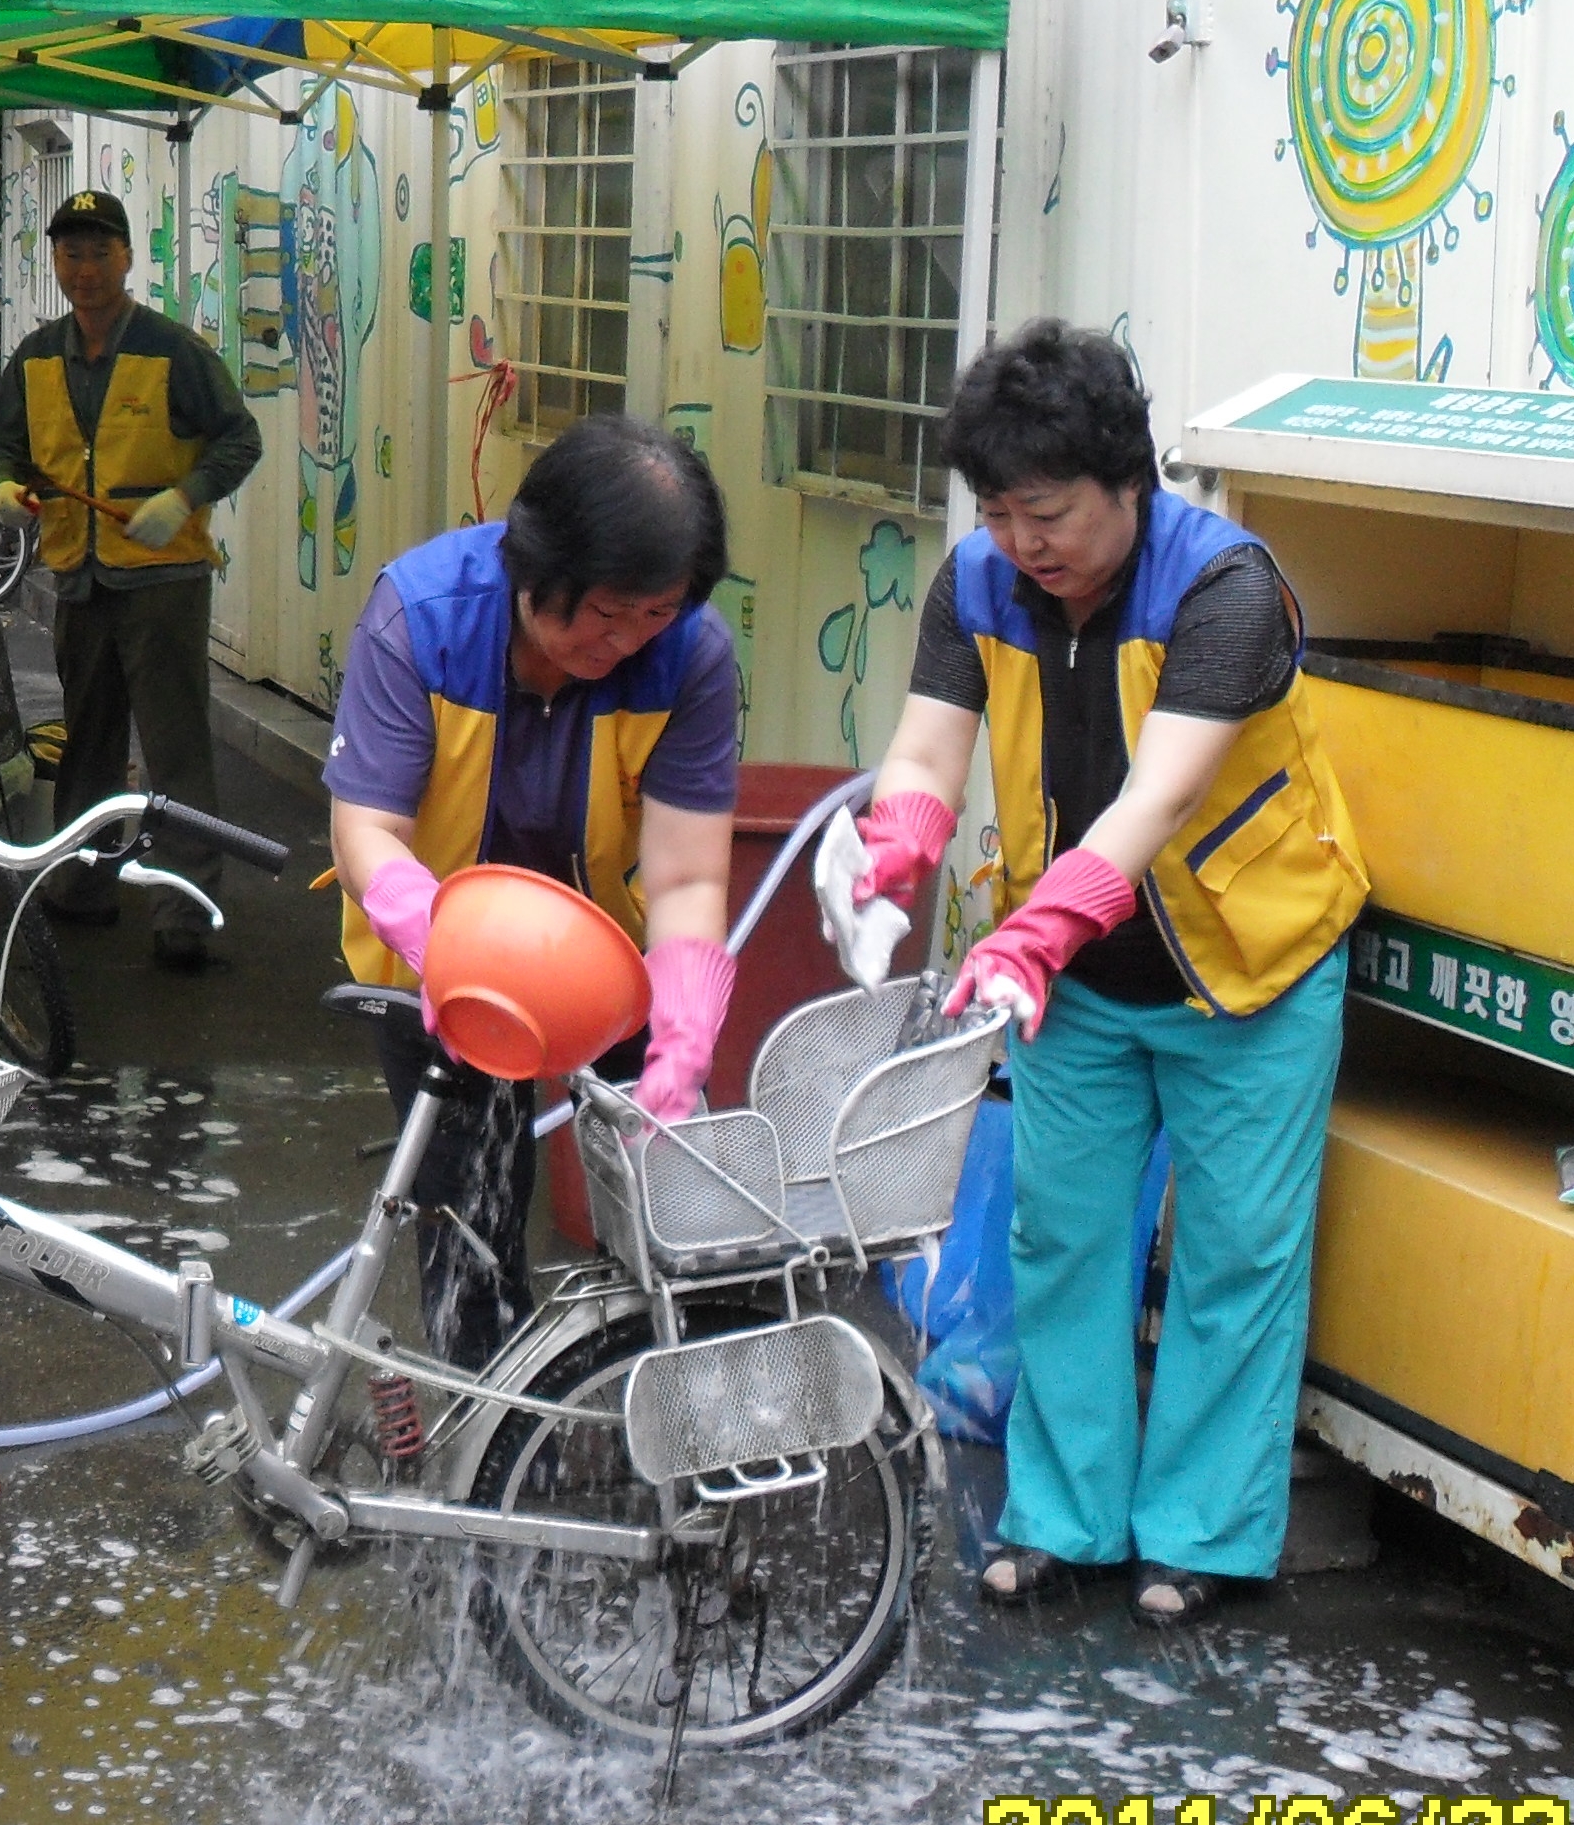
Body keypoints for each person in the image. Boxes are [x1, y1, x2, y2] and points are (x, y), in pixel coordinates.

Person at [825, 322, 1364, 1631]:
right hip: (1074, 986)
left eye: (1052, 511)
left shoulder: (1224, 590)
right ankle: (1063, 1518)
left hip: (1249, 967)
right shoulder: (977, 583)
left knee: (1236, 1256)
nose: (1026, 541)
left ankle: (1206, 1539)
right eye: (1001, 512)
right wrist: (898, 834)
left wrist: (1034, 928)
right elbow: (928, 751)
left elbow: (1156, 802)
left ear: (1132, 482)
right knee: (1061, 1239)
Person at [323, 415, 742, 1367]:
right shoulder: (423, 617)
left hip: (613, 966)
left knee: (671, 1214)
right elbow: (367, 831)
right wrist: (448, 949)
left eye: (654, 614)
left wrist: (682, 1022)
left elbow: (685, 871)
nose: (626, 640)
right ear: (534, 567)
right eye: (603, 612)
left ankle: (674, 1419)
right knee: (469, 1221)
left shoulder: (692, 655)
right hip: (447, 962)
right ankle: (488, 1437)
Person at [0, 188, 264, 967]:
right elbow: (4, 448)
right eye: (70, 254)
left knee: (175, 750)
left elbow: (238, 441)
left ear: (127, 258)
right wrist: (5, 489)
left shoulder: (173, 351)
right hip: (78, 575)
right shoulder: (36, 356)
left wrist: (183, 500)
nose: (84, 269)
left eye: (99, 252)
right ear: (57, 262)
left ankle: (186, 910)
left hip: (162, 583)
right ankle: (84, 883)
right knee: (89, 743)